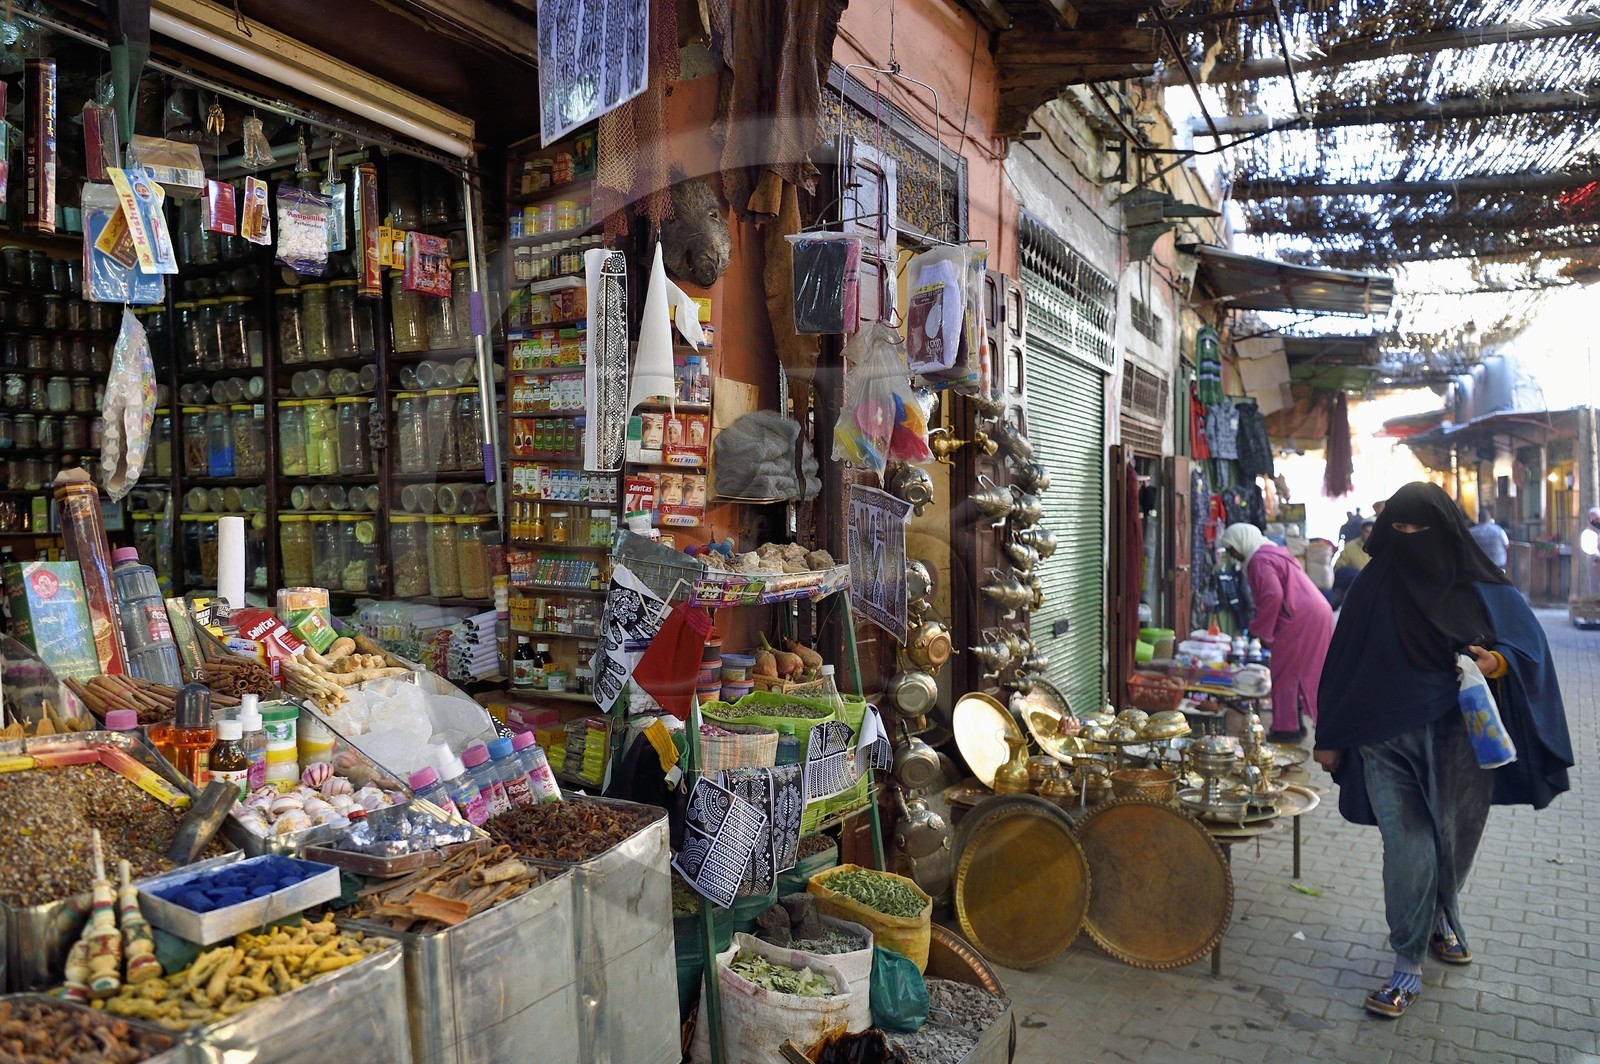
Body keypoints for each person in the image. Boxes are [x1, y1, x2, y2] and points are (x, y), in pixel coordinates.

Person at [1314, 483, 1572, 1020]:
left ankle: (1442, 917)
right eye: (1400, 530)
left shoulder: (1481, 585)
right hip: (1384, 736)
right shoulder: (1371, 585)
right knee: (1409, 849)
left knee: (1452, 843)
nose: (1409, 541)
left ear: (1446, 532)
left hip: (1459, 738)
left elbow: (1526, 646)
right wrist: (1330, 736)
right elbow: (1342, 657)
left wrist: (1496, 662)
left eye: (1420, 531)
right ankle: (1407, 963)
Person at [1219, 523, 1334, 740]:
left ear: (1241, 542)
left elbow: (1272, 595)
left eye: (1231, 548)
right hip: (1314, 612)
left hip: (1300, 616)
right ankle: (1295, 724)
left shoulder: (1259, 560)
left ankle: (1286, 730)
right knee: (1302, 671)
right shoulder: (1270, 552)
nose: (1231, 554)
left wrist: (1260, 630)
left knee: (1285, 672)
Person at [1325, 520, 1374, 610]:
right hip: (1352, 587)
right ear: (1362, 532)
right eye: (1367, 532)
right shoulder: (1350, 547)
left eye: (1372, 532)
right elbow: (1339, 567)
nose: (1369, 535)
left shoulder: (1380, 548)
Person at [1469, 508, 1510, 573]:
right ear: (1489, 518)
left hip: (1479, 566)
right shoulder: (1499, 530)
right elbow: (1506, 545)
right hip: (1498, 564)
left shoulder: (1471, 532)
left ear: (1478, 519)